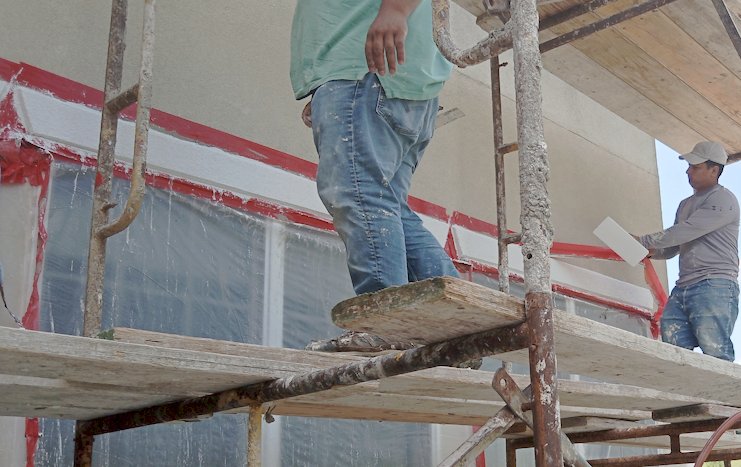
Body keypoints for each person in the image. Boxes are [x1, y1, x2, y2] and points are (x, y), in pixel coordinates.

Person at [290, 0, 461, 353]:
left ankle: (387, 324)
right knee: (388, 206)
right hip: (374, 74)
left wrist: (396, 9)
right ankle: (454, 327)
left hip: (367, 69)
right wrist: (328, 83)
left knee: (359, 193)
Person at [637, 141, 739, 361]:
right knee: (674, 346)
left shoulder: (723, 199)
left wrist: (642, 241)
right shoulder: (685, 204)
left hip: (714, 284)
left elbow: (685, 231)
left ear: (714, 170)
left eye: (695, 166)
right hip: (684, 286)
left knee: (715, 352)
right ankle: (688, 395)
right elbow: (673, 247)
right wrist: (650, 252)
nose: (688, 170)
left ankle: (721, 396)